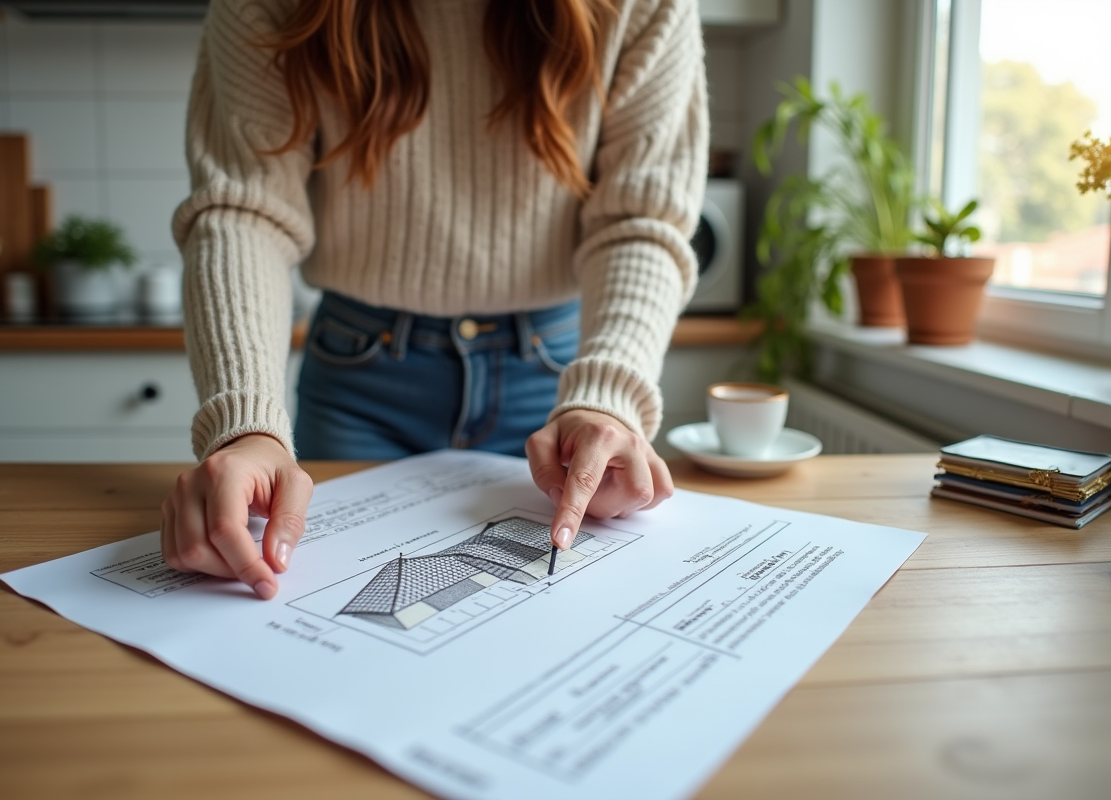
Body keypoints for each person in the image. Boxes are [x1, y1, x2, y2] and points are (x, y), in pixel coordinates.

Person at [161, 0, 708, 599]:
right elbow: (244, 211)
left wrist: (610, 397)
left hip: (555, 384)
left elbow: (639, 220)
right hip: (361, 381)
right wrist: (246, 429)